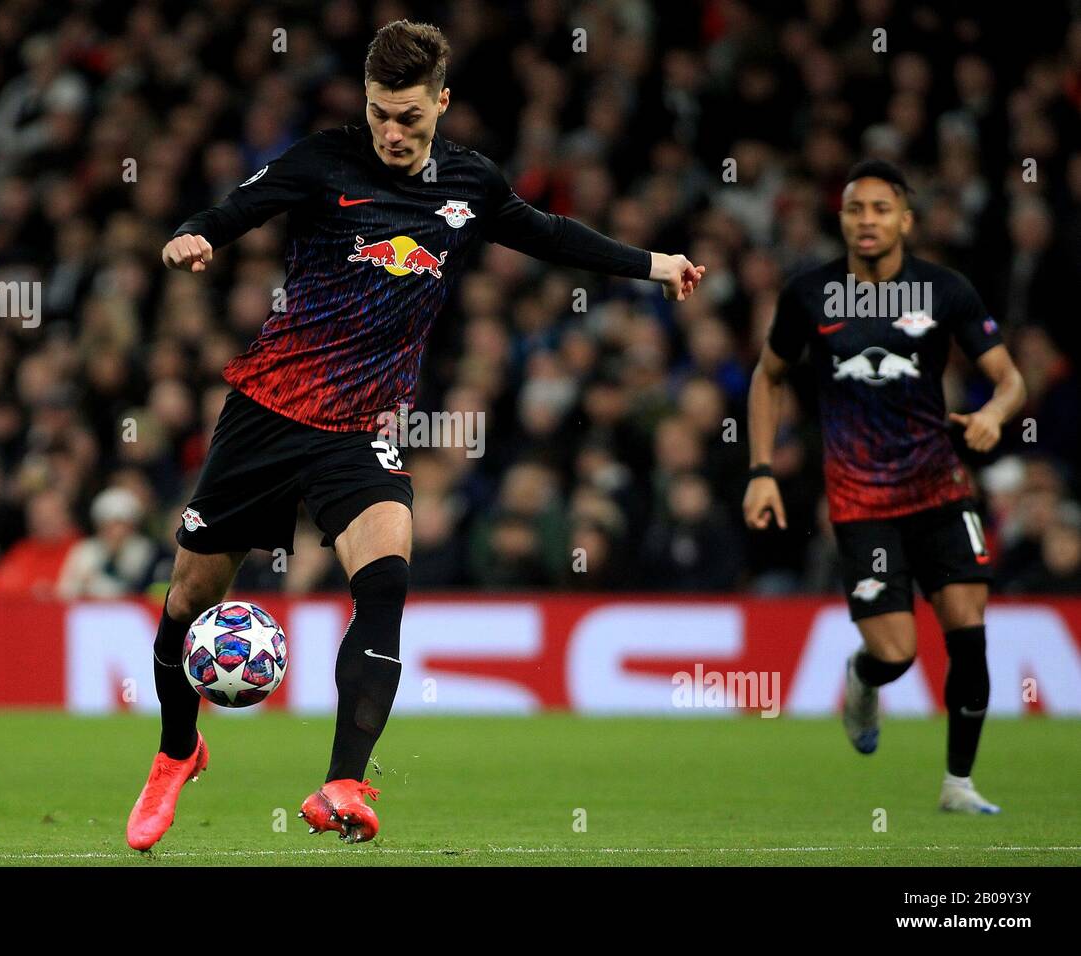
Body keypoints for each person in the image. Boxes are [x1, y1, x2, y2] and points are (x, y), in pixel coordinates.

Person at [126, 20, 706, 850]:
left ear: (441, 103)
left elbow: (549, 234)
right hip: (268, 411)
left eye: (408, 117)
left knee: (385, 583)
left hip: (359, 429)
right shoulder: (323, 161)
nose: (392, 133)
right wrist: (198, 235)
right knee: (188, 600)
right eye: (378, 114)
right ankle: (177, 751)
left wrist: (655, 264)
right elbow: (239, 207)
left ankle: (343, 782)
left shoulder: (471, 184)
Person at [744, 159, 1026, 814]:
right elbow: (768, 376)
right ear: (841, 220)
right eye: (854, 209)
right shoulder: (810, 294)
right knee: (896, 653)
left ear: (905, 220)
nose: (866, 220)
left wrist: (992, 413)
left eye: (880, 209)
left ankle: (958, 783)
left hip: (939, 490)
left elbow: (1010, 379)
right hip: (861, 501)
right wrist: (760, 471)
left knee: (968, 627)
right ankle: (863, 676)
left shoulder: (945, 290)